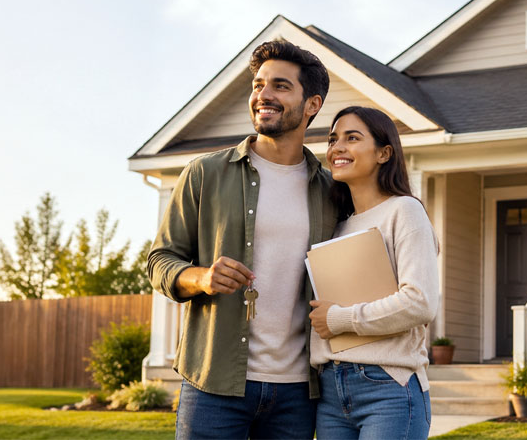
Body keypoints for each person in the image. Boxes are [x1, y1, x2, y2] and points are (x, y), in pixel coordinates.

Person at [148, 39, 337, 440]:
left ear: (312, 104)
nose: (263, 95)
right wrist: (202, 278)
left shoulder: (332, 191)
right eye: (258, 85)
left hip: (298, 391)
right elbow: (160, 260)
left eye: (280, 86)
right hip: (214, 383)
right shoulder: (204, 173)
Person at [308, 105, 440, 440]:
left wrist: (339, 318)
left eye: (352, 138)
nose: (337, 147)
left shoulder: (404, 210)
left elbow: (420, 302)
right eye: (333, 139)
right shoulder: (337, 226)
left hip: (387, 387)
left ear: (384, 153)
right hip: (330, 390)